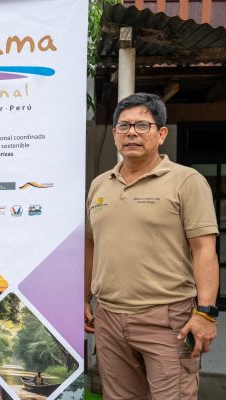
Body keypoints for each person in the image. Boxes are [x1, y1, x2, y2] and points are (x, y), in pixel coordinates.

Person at [84, 93, 219, 399]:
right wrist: (84, 298)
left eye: (142, 125)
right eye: (124, 126)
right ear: (115, 134)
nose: (131, 132)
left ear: (161, 134)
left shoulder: (186, 181)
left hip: (168, 319)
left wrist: (206, 313)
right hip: (109, 319)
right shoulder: (100, 184)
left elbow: (204, 249)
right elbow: (91, 243)